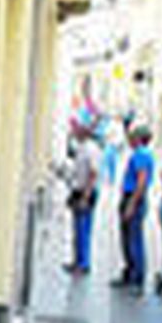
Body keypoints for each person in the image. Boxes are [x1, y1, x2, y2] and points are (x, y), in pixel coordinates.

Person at [116, 124, 155, 292]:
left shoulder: (141, 154)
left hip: (133, 197)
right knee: (129, 237)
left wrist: (131, 204)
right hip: (133, 197)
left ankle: (136, 277)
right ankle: (130, 272)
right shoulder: (143, 154)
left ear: (139, 139)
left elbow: (141, 180)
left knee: (133, 239)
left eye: (132, 137)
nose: (130, 140)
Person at [61, 116, 100, 276]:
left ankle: (83, 264)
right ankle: (77, 261)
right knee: (78, 230)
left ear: (84, 131)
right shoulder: (81, 147)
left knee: (83, 230)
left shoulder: (90, 149)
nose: (74, 131)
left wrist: (85, 196)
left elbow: (93, 173)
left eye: (77, 129)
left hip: (85, 192)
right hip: (79, 190)